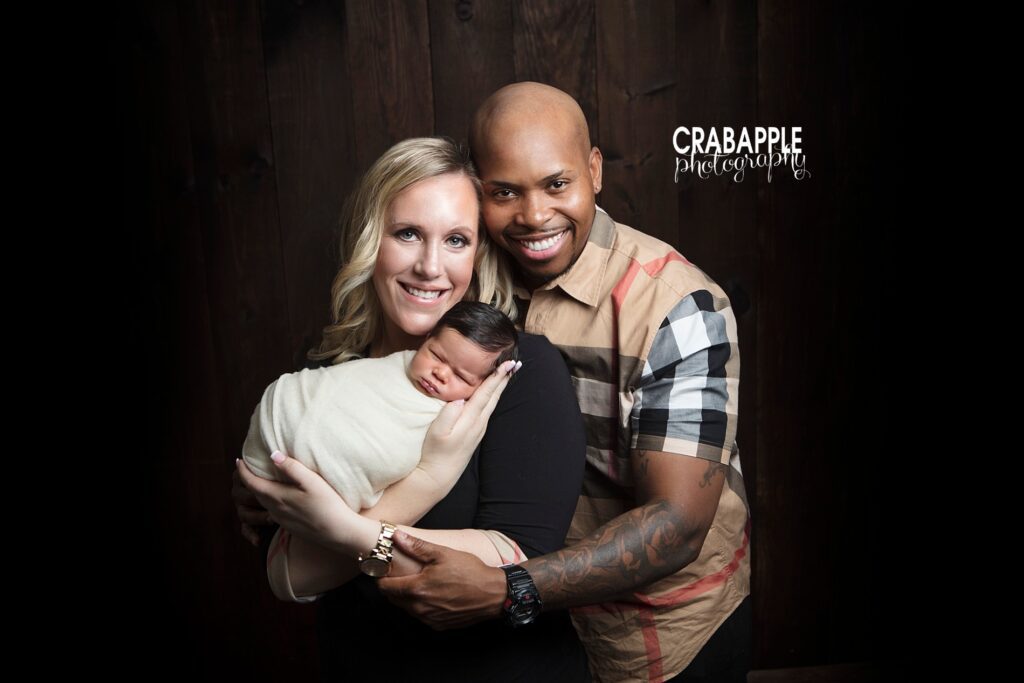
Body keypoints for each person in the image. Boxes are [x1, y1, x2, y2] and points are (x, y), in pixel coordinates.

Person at [365, 83, 752, 683]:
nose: (535, 215)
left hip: (657, 639)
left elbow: (677, 524)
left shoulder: (679, 306)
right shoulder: (467, 282)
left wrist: (507, 587)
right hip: (532, 639)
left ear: (594, 170)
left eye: (556, 184)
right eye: (504, 193)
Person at [233, 136, 591, 681]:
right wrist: (412, 493)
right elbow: (290, 573)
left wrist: (341, 529)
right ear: (370, 242)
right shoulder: (323, 381)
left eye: (455, 240)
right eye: (407, 234)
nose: (430, 266)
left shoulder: (516, 373)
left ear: (478, 254)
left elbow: (518, 560)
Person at [242, 301, 521, 513]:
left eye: (461, 377)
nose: (441, 373)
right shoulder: (394, 364)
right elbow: (335, 388)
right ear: (426, 341)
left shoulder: (456, 416)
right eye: (436, 355)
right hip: (278, 429)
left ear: (484, 386)